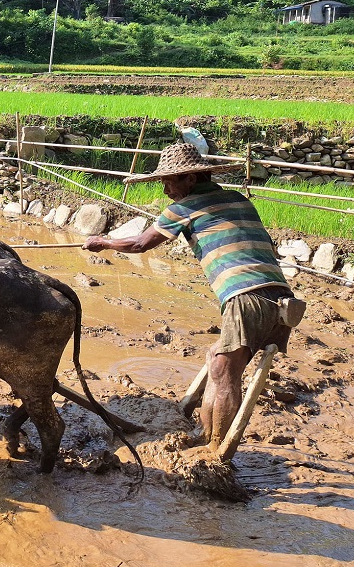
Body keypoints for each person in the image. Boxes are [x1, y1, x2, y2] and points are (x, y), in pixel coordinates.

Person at [82, 142, 297, 456]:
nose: (167, 190)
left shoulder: (185, 206)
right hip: (280, 298)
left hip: (246, 296)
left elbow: (142, 243)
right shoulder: (236, 199)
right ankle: (204, 435)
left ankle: (213, 453)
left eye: (170, 181)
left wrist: (104, 242)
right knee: (218, 362)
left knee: (224, 374)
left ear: (191, 179)